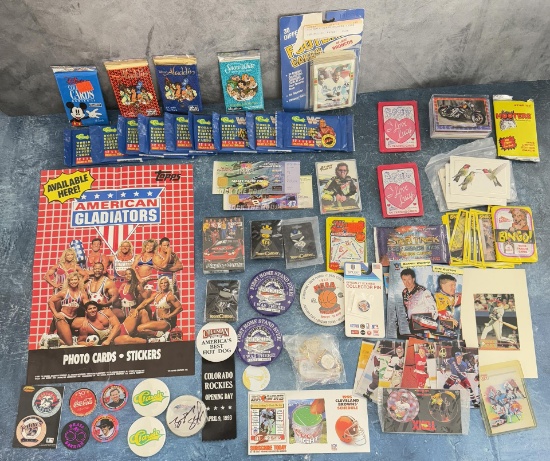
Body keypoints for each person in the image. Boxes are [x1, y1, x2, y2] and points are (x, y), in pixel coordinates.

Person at [47, 273, 89, 346]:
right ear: (69, 282)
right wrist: (56, 314)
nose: (73, 281)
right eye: (71, 280)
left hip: (74, 319)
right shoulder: (64, 292)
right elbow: (50, 301)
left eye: (75, 279)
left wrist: (86, 319)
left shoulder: (82, 294)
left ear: (78, 281)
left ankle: (79, 339)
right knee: (69, 344)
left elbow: (88, 307)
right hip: (63, 318)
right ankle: (50, 340)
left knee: (90, 322)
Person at [135, 276, 183, 341]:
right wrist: (136, 309)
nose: (164, 284)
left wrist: (169, 315)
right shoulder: (156, 294)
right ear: (159, 285)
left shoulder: (170, 296)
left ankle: (160, 335)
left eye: (165, 283)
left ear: (168, 284)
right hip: (156, 321)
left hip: (165, 322)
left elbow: (180, 308)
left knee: (140, 328)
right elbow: (145, 303)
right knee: (140, 328)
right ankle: (160, 336)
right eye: (162, 283)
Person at [112, 268, 151, 345]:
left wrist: (147, 288)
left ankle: (149, 337)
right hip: (123, 310)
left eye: (129, 274)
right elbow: (116, 297)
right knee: (111, 312)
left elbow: (146, 297)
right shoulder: (123, 285)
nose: (127, 276)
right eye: (126, 274)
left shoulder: (137, 286)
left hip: (132, 310)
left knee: (143, 313)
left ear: (133, 275)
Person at [400, 268, 438, 332]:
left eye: (409, 279)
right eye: (404, 280)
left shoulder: (423, 291)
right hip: (411, 326)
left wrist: (429, 325)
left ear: (413, 279)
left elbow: (433, 309)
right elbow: (406, 309)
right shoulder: (404, 292)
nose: (407, 282)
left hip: (424, 327)